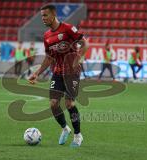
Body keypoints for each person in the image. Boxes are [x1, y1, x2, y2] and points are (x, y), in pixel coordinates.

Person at [28, 4, 88, 147]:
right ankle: (65, 129)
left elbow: (84, 43)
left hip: (72, 72)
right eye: (42, 15)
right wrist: (37, 73)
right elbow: (49, 58)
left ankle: (78, 135)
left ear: (54, 14)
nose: (43, 18)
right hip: (57, 72)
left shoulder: (68, 29)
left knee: (69, 103)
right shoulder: (47, 36)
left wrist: (78, 59)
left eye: (45, 15)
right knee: (54, 104)